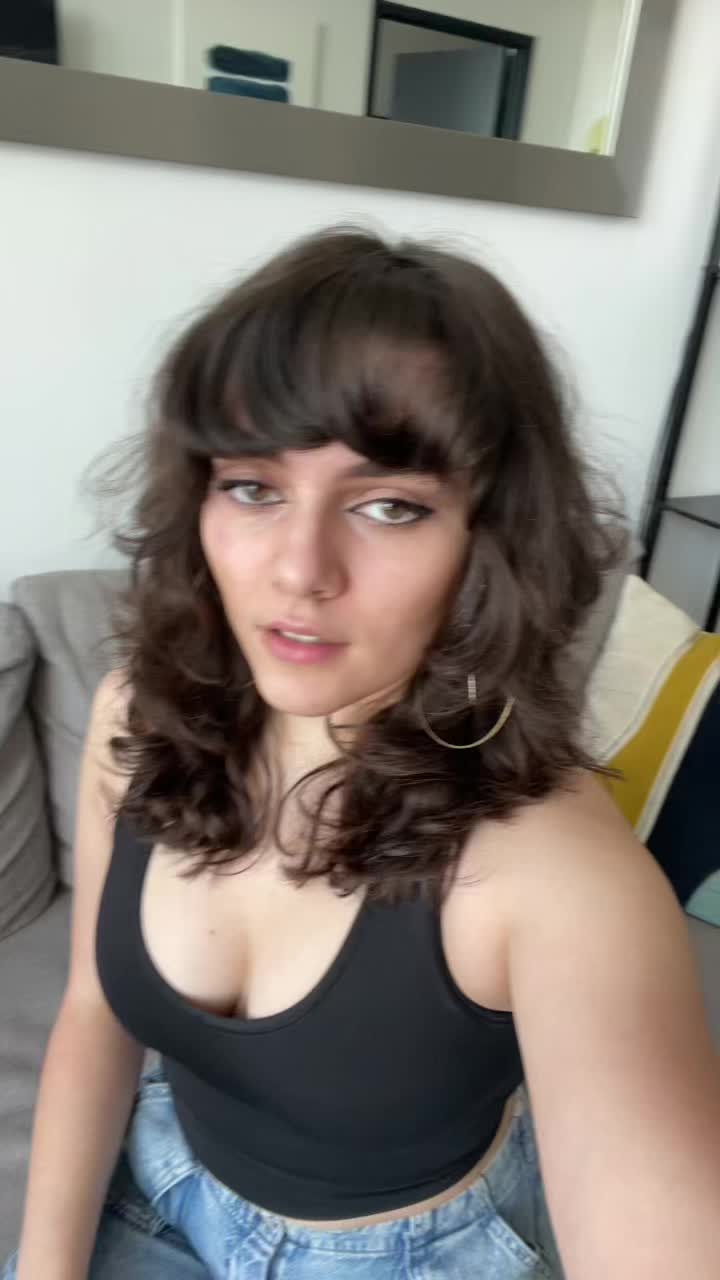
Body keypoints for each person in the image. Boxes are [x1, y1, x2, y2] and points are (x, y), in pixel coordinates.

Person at [5, 228, 720, 1280]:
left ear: (488, 541)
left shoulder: (559, 876)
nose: (301, 569)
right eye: (253, 487)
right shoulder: (137, 719)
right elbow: (92, 1013)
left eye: (390, 505)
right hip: (159, 1173)